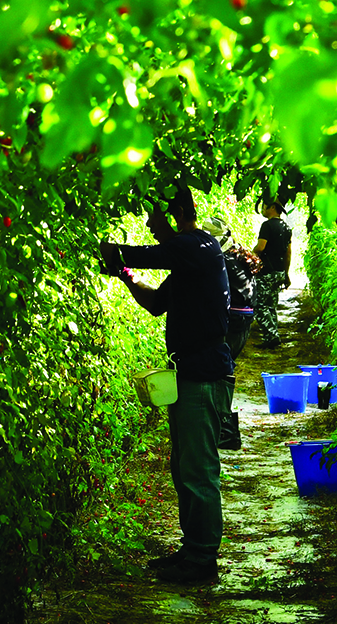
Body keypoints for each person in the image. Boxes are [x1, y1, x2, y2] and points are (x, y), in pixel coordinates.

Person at [97, 185, 233, 585]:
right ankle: (192, 549)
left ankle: (203, 559)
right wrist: (125, 277)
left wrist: (110, 252)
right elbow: (157, 303)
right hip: (192, 375)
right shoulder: (190, 260)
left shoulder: (196, 245)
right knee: (184, 467)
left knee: (198, 468)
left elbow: (146, 253)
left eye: (154, 217)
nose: (149, 226)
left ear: (173, 215)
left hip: (204, 377)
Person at [200, 216, 260, 450]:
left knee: (220, 370)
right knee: (225, 367)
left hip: (233, 319)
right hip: (244, 318)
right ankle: (224, 428)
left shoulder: (223, 259)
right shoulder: (239, 255)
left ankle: (225, 429)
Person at [252, 199, 292, 349]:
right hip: (279, 272)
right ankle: (272, 335)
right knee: (271, 305)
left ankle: (272, 335)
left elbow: (261, 247)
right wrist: (286, 274)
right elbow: (288, 252)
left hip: (267, 271)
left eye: (263, 206)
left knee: (259, 305)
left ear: (272, 208)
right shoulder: (286, 227)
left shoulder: (267, 226)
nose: (262, 209)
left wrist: (251, 253)